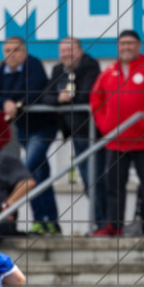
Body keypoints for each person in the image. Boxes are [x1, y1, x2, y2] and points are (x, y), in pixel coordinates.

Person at [91, 30, 144, 236]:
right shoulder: (109, 71)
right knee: (114, 186)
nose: (125, 47)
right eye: (122, 44)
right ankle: (114, 225)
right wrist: (104, 125)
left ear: (138, 45)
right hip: (115, 142)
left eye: (130, 43)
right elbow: (96, 100)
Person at [0, 36, 60, 234]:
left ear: (24, 52)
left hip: (43, 128)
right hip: (24, 130)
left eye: (15, 50)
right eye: (7, 51)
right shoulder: (3, 69)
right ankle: (47, 222)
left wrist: (14, 103)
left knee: (25, 168)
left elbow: (35, 91)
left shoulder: (33, 64)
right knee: (39, 175)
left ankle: (34, 215)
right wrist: (4, 103)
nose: (11, 55)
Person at [45, 37, 105, 232]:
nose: (66, 55)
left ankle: (104, 224)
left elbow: (85, 95)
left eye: (70, 50)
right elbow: (45, 96)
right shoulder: (57, 70)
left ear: (80, 50)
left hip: (92, 133)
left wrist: (62, 100)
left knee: (95, 179)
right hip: (75, 133)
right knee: (88, 180)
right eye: (62, 51)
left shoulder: (90, 66)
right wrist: (59, 99)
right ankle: (100, 223)